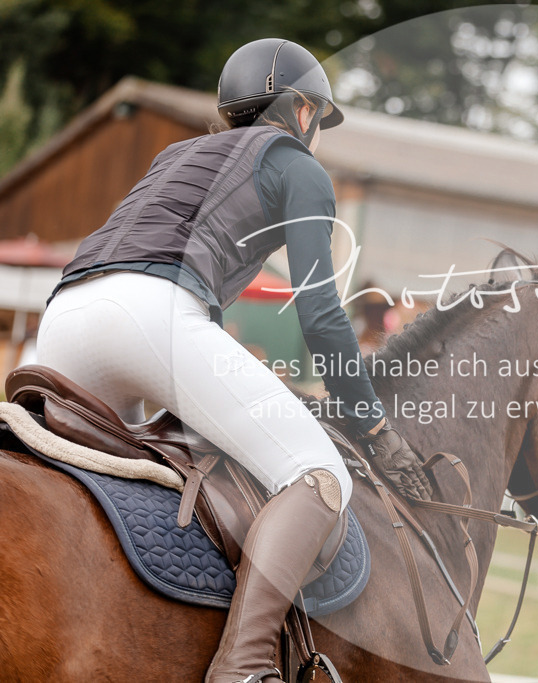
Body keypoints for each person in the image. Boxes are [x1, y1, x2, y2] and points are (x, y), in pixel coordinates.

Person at [35, 38, 432, 683]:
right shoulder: (299, 167)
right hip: (153, 316)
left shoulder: (175, 157)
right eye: (317, 122)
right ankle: (243, 666)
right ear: (304, 113)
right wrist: (374, 429)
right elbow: (323, 317)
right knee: (318, 477)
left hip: (62, 320)